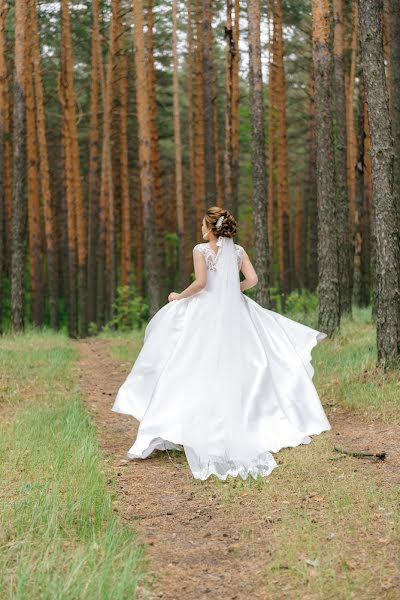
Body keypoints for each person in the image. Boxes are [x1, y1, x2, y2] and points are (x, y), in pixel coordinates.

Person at [112, 206, 331, 481]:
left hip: (206, 312)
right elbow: (253, 280)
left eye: (203, 224)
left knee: (189, 364)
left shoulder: (200, 250)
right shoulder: (238, 252)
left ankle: (184, 424)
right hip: (234, 311)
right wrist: (230, 290)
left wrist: (179, 296)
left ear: (211, 228)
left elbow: (202, 283)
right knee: (244, 365)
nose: (201, 229)